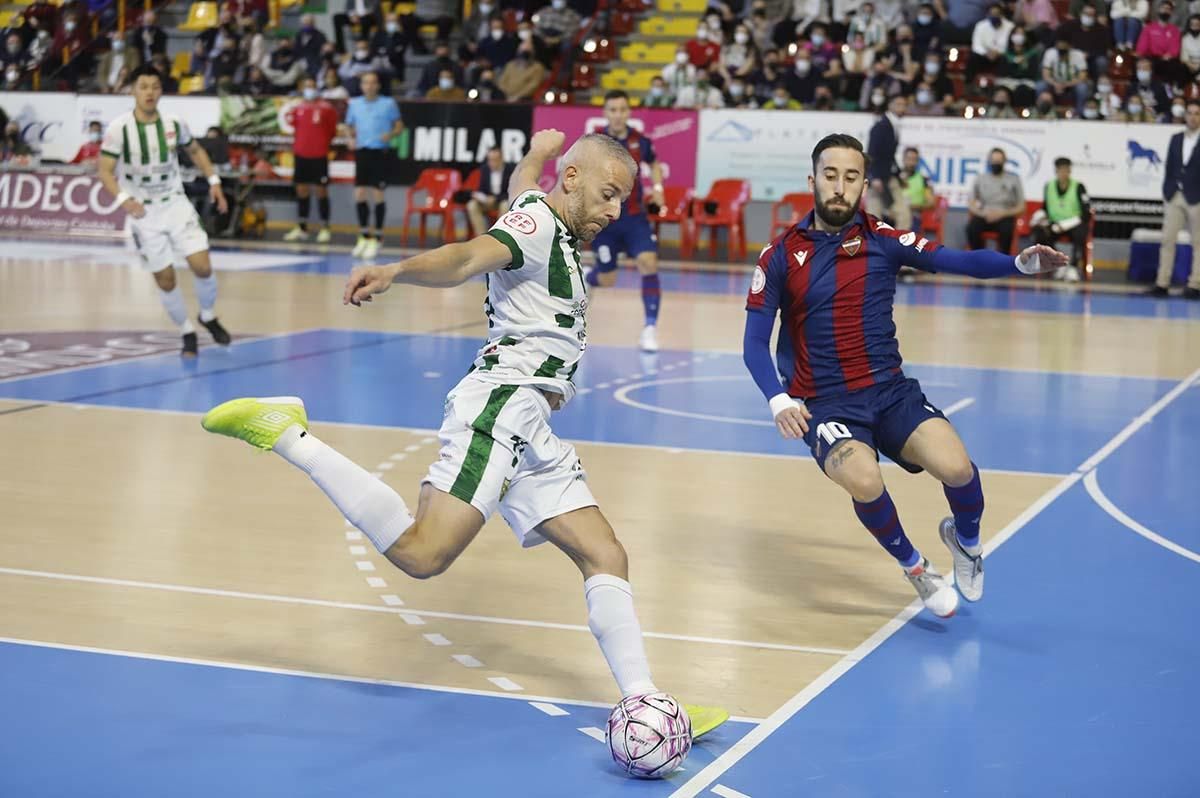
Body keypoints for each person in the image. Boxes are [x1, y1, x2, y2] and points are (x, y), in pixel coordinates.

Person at [199, 129, 729, 741]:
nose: (615, 212)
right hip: (503, 408)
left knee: (605, 554)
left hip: (531, 423)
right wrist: (397, 270)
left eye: (622, 201)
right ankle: (289, 434)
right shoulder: (532, 231)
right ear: (575, 179)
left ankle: (648, 704)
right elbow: (467, 256)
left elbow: (521, 187)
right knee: (423, 554)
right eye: (608, 195)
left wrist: (536, 152)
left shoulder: (538, 210)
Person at [742, 132, 1066, 618]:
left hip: (890, 392)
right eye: (830, 175)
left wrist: (1017, 264)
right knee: (865, 478)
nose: (839, 186)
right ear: (812, 180)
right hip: (825, 404)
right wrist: (779, 400)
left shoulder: (883, 240)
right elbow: (753, 344)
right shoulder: (780, 256)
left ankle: (967, 542)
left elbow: (956, 260)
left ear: (864, 185)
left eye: (850, 177)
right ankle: (916, 568)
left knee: (958, 468)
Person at [97, 65, 231, 357]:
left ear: (161, 91)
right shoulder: (119, 129)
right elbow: (105, 170)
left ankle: (207, 314)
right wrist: (123, 199)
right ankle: (186, 331)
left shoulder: (173, 122)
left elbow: (195, 150)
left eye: (155, 87)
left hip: (175, 203)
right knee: (166, 279)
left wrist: (214, 181)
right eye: (143, 86)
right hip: (144, 214)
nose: (149, 93)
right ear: (133, 90)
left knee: (202, 265)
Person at [585, 90, 666, 352]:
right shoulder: (594, 143)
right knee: (608, 279)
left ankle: (650, 329)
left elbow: (654, 164)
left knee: (648, 262)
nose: (618, 115)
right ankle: (591, 276)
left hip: (634, 218)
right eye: (613, 110)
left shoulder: (639, 141)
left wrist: (658, 187)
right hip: (605, 220)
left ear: (628, 112)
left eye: (622, 109)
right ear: (605, 112)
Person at [342, 71, 403, 258]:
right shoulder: (355, 104)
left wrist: (391, 134)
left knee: (377, 193)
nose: (369, 86)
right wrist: (349, 138)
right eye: (365, 83)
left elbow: (399, 126)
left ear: (377, 85)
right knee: (359, 193)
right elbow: (347, 125)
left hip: (379, 152)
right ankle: (363, 235)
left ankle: (377, 237)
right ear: (361, 86)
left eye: (372, 83)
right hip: (362, 151)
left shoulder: (388, 103)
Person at [1149, 99, 1200, 298]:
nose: (1193, 117)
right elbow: (1169, 167)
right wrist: (1168, 189)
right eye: (1190, 113)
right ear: (1185, 115)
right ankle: (1162, 283)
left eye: (1197, 113)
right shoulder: (1176, 138)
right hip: (1174, 195)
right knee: (1167, 240)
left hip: (1196, 196)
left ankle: (1195, 284)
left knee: (1198, 242)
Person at [284, 77, 338, 244]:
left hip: (319, 155)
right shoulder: (297, 108)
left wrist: (321, 144)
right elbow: (293, 127)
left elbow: (332, 131)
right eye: (307, 86)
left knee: (321, 191)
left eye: (312, 86)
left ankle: (325, 228)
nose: (309, 89)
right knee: (301, 190)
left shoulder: (326, 108)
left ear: (317, 88)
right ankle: (302, 227)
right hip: (301, 155)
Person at [1031, 157, 1090, 282]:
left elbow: (1086, 214)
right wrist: (1039, 217)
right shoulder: (1049, 186)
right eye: (1061, 170)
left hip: (1074, 224)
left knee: (1081, 233)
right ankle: (1059, 264)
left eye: (1066, 170)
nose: (1063, 173)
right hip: (1055, 224)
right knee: (1040, 233)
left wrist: (1066, 224)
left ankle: (1073, 267)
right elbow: (1046, 208)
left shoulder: (1079, 187)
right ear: (1056, 171)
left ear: (1070, 171)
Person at [966, 148, 1025, 253]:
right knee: (971, 228)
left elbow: (1021, 207)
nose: (995, 163)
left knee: (1007, 231)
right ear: (989, 161)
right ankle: (979, 259)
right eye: (993, 160)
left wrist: (1002, 213)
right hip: (984, 214)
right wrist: (983, 213)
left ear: (1004, 161)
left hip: (1005, 215)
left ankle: (1002, 262)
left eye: (998, 160)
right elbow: (971, 202)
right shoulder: (980, 178)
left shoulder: (1014, 179)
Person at [866, 94, 911, 230]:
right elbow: (872, 154)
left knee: (903, 215)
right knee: (873, 219)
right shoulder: (881, 126)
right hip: (878, 179)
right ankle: (872, 250)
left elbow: (889, 156)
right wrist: (874, 177)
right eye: (898, 104)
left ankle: (900, 249)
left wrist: (898, 173)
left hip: (888, 176)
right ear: (890, 105)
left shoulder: (893, 125)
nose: (902, 108)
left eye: (904, 105)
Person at [466, 146, 513, 236]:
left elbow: (511, 192)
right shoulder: (485, 169)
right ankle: (482, 237)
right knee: (471, 205)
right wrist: (480, 196)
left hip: (502, 201)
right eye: (490, 160)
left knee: (505, 205)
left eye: (495, 160)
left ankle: (499, 236)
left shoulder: (510, 170)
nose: (492, 163)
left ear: (501, 159)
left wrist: (495, 199)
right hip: (487, 201)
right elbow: (482, 188)